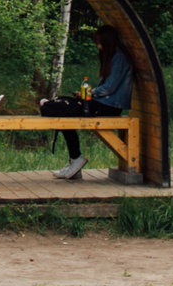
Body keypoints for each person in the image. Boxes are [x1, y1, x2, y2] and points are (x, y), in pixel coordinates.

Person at [45, 23, 135, 181]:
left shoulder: (119, 57)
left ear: (108, 42)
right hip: (104, 103)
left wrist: (89, 93)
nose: (99, 47)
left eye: (100, 43)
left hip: (110, 106)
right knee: (64, 108)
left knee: (65, 112)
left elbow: (110, 88)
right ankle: (75, 163)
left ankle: (76, 159)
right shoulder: (113, 56)